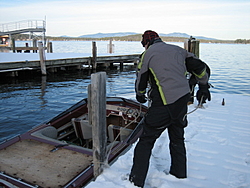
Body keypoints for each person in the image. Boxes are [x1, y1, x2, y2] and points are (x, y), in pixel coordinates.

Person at [129, 30, 211, 188]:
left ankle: (136, 181)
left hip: (162, 104)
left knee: (145, 141)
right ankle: (179, 175)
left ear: (146, 43)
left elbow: (141, 78)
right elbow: (201, 67)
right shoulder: (179, 50)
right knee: (177, 138)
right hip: (181, 101)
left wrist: (139, 95)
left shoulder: (147, 55)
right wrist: (203, 86)